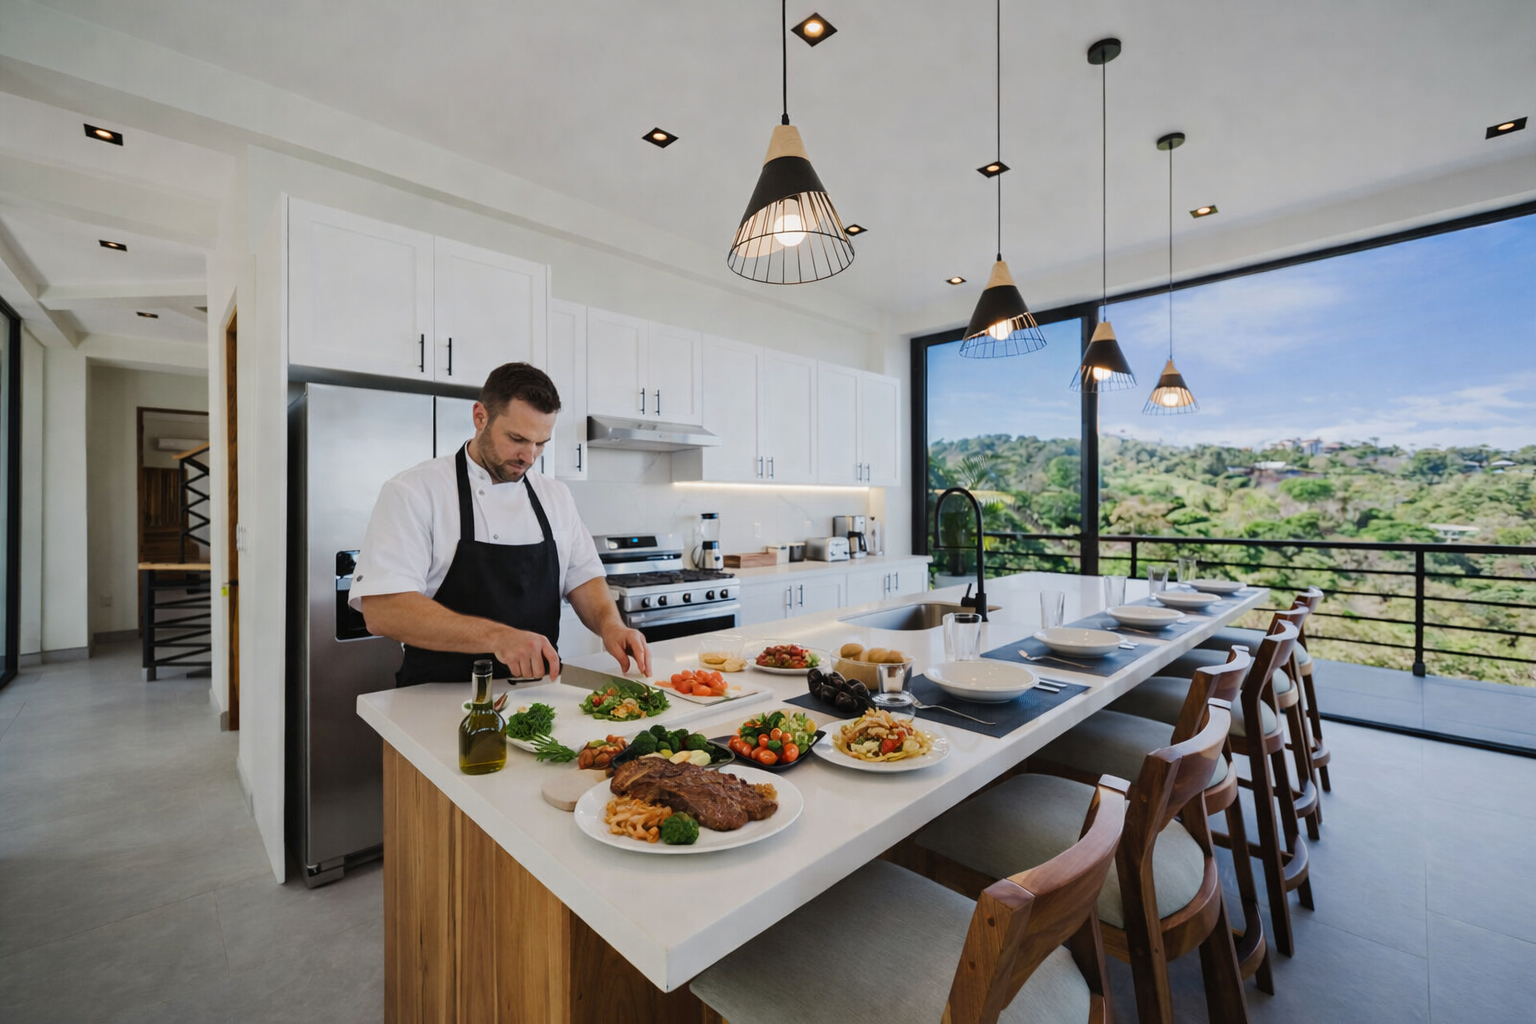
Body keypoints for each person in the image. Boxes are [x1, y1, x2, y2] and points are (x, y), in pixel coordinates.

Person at [350, 362, 650, 684]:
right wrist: (498, 637)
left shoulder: (555, 496)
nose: (530, 456)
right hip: (436, 696)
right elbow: (383, 610)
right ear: (480, 417)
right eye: (517, 439)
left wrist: (611, 626)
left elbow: (584, 578)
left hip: (538, 699)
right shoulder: (414, 491)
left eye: (541, 443)